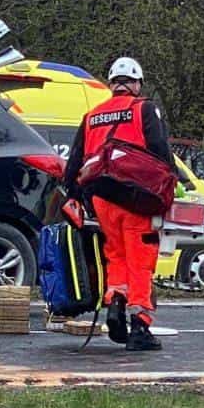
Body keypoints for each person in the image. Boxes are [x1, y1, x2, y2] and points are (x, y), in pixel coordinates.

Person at [63, 57, 174, 352]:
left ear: (112, 83)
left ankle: (115, 306)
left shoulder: (92, 116)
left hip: (101, 199)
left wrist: (75, 197)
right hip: (136, 196)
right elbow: (161, 153)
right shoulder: (145, 109)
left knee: (116, 256)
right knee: (141, 260)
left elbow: (73, 165)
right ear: (136, 84)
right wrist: (169, 190)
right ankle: (140, 326)